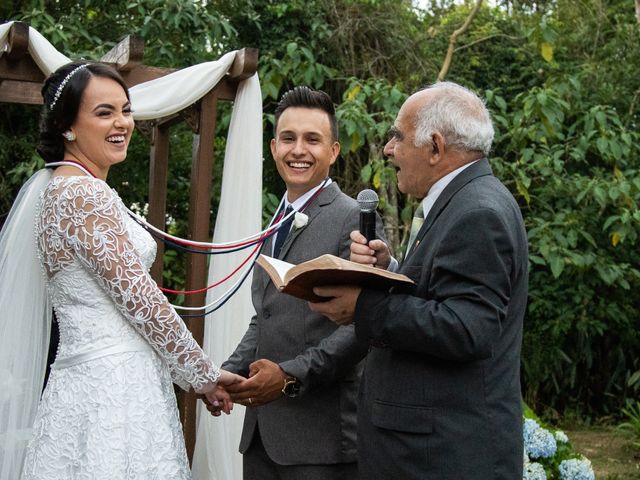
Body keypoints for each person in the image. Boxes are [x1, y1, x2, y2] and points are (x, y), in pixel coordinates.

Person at [0, 61, 244, 480]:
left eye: (126, 110)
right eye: (103, 112)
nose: (122, 123)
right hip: (113, 391)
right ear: (67, 127)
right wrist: (203, 376)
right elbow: (142, 301)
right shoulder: (82, 193)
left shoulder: (63, 189)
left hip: (85, 384)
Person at [309, 81, 529, 479]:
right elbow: (441, 293)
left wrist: (362, 306)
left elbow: (468, 328)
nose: (389, 149)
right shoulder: (464, 199)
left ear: (435, 148)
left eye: (398, 136)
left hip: (442, 457)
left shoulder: (478, 212)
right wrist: (389, 270)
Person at [217, 86, 381, 480]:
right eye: (288, 138)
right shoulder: (275, 218)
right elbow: (266, 314)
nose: (298, 150)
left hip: (320, 442)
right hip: (259, 436)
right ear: (274, 147)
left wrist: (290, 375)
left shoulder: (352, 220)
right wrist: (229, 372)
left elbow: (363, 326)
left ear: (334, 151)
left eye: (312, 139)